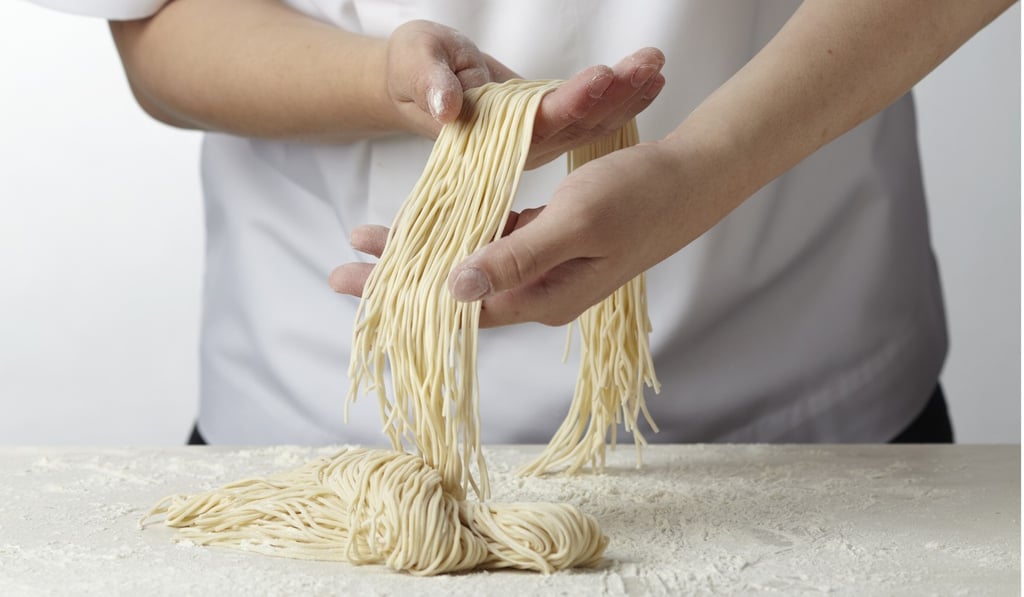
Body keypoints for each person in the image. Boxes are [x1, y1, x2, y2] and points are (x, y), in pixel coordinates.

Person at [33, 0, 1014, 446]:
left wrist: (702, 165)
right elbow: (158, 23)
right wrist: (386, 85)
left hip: (787, 393)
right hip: (322, 429)